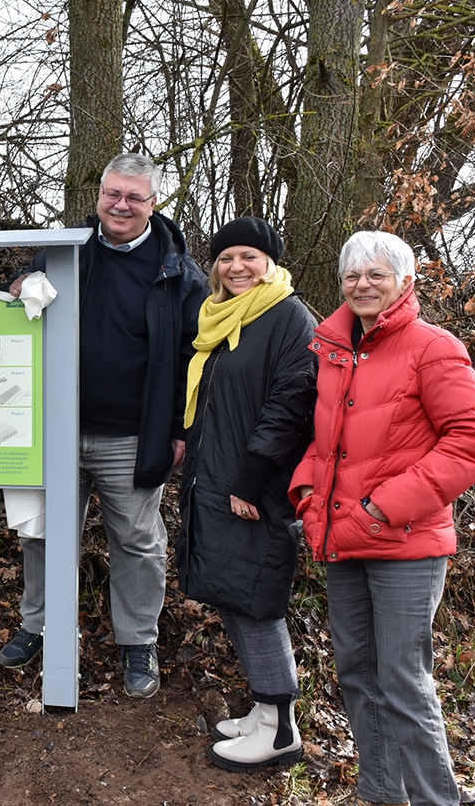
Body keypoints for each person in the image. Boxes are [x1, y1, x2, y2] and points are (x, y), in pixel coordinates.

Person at [0, 153, 208, 699]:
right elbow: (26, 282)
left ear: (153, 203)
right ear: (100, 196)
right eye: (113, 193)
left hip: (134, 436)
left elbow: (197, 358)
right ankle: (37, 625)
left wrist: (182, 430)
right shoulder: (70, 249)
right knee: (43, 535)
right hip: (57, 430)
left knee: (137, 541)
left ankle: (138, 642)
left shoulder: (179, 273)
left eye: (134, 197)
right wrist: (23, 281)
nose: (121, 205)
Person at [290, 231, 475, 806]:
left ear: (405, 282)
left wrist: (382, 508)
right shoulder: (333, 347)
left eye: (377, 275)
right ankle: (381, 793)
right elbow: (329, 443)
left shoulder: (433, 347)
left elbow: (468, 440)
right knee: (357, 674)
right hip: (343, 536)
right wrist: (305, 491)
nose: (362, 285)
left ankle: (436, 799)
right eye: (352, 275)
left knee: (402, 681)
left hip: (407, 542)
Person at [176, 217, 316, 771]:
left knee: (256, 597)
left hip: (254, 485)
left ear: (270, 264)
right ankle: (263, 708)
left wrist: (251, 480)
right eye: (227, 257)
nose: (237, 268)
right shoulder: (218, 318)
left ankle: (281, 728)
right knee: (232, 589)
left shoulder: (287, 317)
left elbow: (291, 403)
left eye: (249, 258)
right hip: (216, 478)